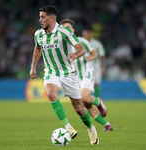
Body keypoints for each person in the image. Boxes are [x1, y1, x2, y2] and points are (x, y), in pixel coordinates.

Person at [29, 6, 99, 145]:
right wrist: (33, 67)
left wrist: (74, 54)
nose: (40, 20)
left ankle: (91, 129)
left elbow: (81, 48)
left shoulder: (64, 32)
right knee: (51, 94)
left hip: (68, 72)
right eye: (40, 17)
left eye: (43, 17)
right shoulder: (38, 34)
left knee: (79, 108)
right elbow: (37, 49)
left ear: (52, 18)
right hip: (51, 72)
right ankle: (68, 127)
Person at [60, 19, 113, 132]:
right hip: (74, 78)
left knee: (84, 98)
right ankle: (107, 125)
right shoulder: (60, 47)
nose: (67, 29)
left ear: (73, 30)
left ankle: (98, 101)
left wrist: (91, 57)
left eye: (69, 27)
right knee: (84, 105)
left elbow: (94, 53)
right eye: (64, 27)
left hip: (86, 73)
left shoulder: (81, 41)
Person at [82, 27, 106, 98]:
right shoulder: (81, 43)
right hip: (85, 68)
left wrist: (103, 67)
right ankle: (87, 98)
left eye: (86, 34)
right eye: (83, 34)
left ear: (90, 34)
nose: (84, 36)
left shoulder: (97, 44)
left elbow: (102, 56)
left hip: (96, 68)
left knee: (96, 84)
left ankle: (98, 98)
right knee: (86, 84)